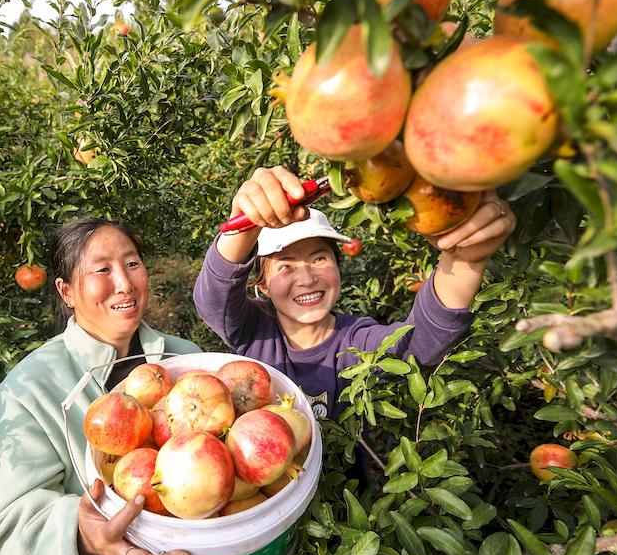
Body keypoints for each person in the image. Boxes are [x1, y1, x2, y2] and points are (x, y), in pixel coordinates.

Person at [194, 165, 516, 421]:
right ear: (262, 285)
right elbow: (212, 300)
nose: (306, 278)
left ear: (337, 265)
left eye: (319, 258)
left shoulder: (356, 341)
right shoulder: (254, 331)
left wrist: (465, 261)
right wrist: (246, 225)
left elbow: (417, 346)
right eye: (285, 266)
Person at [0, 217, 198, 555]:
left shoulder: (185, 361)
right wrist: (83, 538)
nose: (124, 283)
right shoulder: (28, 388)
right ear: (66, 292)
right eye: (102, 269)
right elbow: (12, 527)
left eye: (132, 264)